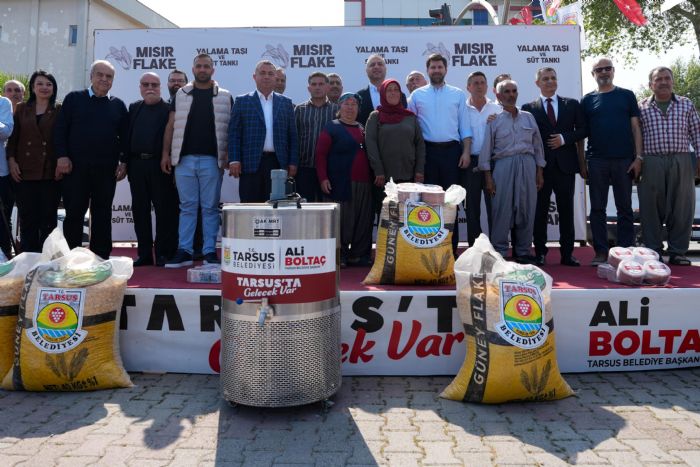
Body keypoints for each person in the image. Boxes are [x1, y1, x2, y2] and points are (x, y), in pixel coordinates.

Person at [161, 53, 231, 268]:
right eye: (199, 66)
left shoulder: (225, 96)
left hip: (212, 161)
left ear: (212, 70)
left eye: (206, 66)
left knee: (210, 208)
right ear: (193, 69)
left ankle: (209, 251)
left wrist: (229, 156)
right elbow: (171, 125)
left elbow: (230, 129)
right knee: (187, 208)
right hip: (184, 160)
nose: (202, 69)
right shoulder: (181, 94)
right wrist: (165, 154)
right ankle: (185, 251)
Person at [54, 60, 129, 259]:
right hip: (75, 168)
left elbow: (125, 138)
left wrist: (124, 162)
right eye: (100, 75)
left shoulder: (118, 105)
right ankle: (70, 257)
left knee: (103, 213)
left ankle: (101, 257)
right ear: (91, 76)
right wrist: (62, 156)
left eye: (109, 76)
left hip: (106, 170)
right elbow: (60, 129)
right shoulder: (73, 99)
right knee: (74, 212)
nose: (104, 79)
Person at [522, 67, 587, 267]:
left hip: (566, 167)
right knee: (539, 212)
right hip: (540, 169)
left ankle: (567, 254)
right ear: (537, 83)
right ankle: (540, 253)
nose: (550, 81)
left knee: (566, 211)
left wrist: (564, 138)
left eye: (553, 78)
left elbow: (584, 129)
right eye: (545, 79)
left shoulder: (572, 104)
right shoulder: (528, 108)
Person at [408, 53, 472, 254]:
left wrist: (466, 152)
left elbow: (465, 127)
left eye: (440, 67)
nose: (436, 70)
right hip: (427, 154)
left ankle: (451, 251)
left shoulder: (458, 94)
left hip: (452, 154)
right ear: (427, 70)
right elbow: (411, 129)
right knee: (428, 203)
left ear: (446, 69)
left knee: (451, 203)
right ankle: (430, 251)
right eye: (433, 67)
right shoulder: (416, 96)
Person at [581, 58, 642, 266]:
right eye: (599, 69)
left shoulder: (627, 95)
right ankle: (600, 251)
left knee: (624, 208)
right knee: (597, 209)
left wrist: (639, 157)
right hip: (596, 160)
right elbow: (581, 133)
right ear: (593, 74)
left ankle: (625, 251)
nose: (604, 72)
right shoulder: (587, 100)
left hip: (624, 160)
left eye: (607, 68)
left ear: (613, 71)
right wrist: (582, 162)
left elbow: (636, 127)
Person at [638, 66, 700, 265]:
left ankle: (678, 252)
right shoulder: (641, 107)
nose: (663, 82)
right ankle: (653, 250)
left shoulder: (686, 104)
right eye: (658, 79)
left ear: (673, 82)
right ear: (651, 84)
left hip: (681, 160)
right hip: (651, 161)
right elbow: (636, 137)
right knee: (650, 208)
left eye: (667, 78)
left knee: (682, 207)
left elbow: (697, 132)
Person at [479, 80, 546, 263]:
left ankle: (523, 251)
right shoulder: (494, 119)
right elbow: (486, 149)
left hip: (528, 165)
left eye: (514, 91)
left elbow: (538, 145)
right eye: (506, 91)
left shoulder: (528, 117)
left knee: (526, 209)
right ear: (498, 95)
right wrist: (488, 178)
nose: (511, 95)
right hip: (503, 165)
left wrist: (539, 172)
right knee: (502, 209)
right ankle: (499, 251)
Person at [126, 73, 178, 267]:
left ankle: (163, 253)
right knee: (140, 211)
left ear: (160, 87)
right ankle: (144, 254)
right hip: (136, 166)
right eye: (146, 84)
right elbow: (126, 136)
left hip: (161, 166)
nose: (150, 88)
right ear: (140, 87)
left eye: (154, 85)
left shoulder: (168, 109)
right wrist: (124, 161)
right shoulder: (134, 108)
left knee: (164, 211)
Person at [6, 70, 60, 254]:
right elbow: (13, 139)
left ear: (54, 88)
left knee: (48, 220)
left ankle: (47, 259)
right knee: (28, 219)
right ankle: (28, 258)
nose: (44, 87)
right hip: (24, 171)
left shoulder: (59, 109)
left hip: (50, 172)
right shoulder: (22, 109)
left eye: (49, 84)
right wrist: (11, 161)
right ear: (32, 87)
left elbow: (63, 139)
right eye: (40, 84)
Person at [315, 93, 373, 267]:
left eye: (354, 104)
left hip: (364, 183)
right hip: (340, 182)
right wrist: (323, 178)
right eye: (346, 104)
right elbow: (320, 155)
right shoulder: (332, 127)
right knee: (342, 220)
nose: (350, 107)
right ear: (339, 107)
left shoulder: (362, 128)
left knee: (362, 220)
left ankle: (358, 255)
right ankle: (338, 255)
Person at [228, 60, 298, 203]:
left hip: (277, 163)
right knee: (250, 206)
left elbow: (292, 135)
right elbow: (234, 133)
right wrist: (234, 159)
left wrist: (293, 162)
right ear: (255, 77)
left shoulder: (286, 103)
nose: (266, 76)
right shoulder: (242, 101)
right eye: (262, 73)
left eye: (270, 73)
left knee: (276, 206)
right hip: (250, 163)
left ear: (275, 77)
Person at [463, 71, 501, 247]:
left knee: (494, 207)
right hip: (470, 163)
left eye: (482, 83)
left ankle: (496, 247)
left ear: (487, 86)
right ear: (468, 87)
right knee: (471, 209)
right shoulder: (461, 109)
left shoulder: (497, 109)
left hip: (493, 164)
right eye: (475, 83)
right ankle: (474, 247)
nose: (479, 86)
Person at [365, 79, 425, 187]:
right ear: (383, 94)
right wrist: (378, 170)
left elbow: (420, 144)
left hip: (409, 175)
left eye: (396, 90)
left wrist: (419, 170)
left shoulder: (410, 117)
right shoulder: (375, 116)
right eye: (389, 90)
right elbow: (371, 144)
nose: (393, 93)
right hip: (383, 177)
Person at [294, 72, 338, 202]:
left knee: (328, 207)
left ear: (327, 87)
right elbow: (294, 138)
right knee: (305, 207)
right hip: (304, 168)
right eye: (314, 84)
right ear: (309, 88)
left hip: (329, 169)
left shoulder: (336, 110)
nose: (317, 87)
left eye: (321, 84)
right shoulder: (299, 110)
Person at [357, 54, 407, 126]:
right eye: (372, 65)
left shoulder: (400, 96)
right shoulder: (358, 97)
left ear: (385, 69)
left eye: (380, 64)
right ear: (366, 70)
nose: (376, 67)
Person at [0, 95, 14, 258]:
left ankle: (5, 258)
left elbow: (6, 132)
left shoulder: (3, 102)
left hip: (1, 173)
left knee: (2, 221)